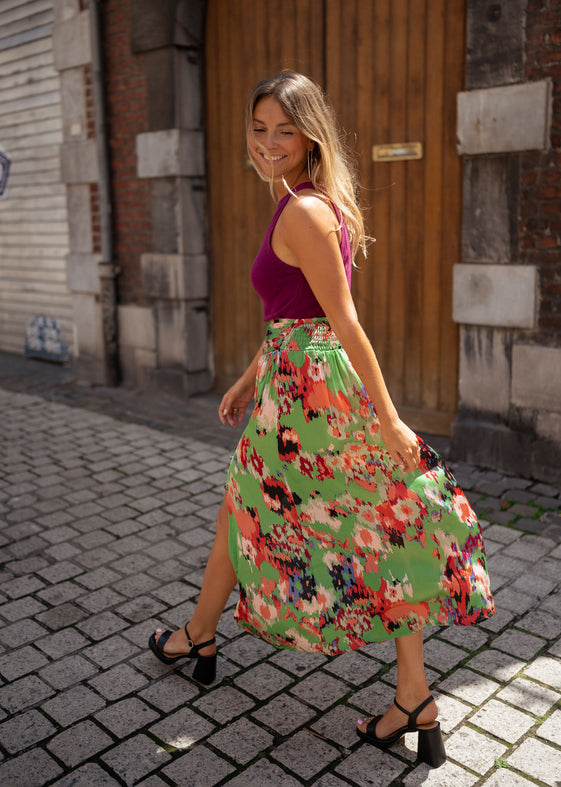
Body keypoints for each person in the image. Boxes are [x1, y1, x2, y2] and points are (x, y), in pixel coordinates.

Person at [149, 71, 495, 768]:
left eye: (284, 130)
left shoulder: (304, 212)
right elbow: (292, 314)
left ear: (310, 136)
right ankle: (408, 693)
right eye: (258, 128)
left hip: (307, 399)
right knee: (343, 516)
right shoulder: (302, 204)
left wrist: (391, 420)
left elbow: (343, 322)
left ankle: (199, 637)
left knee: (332, 515)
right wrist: (250, 376)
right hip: (290, 383)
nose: (267, 142)